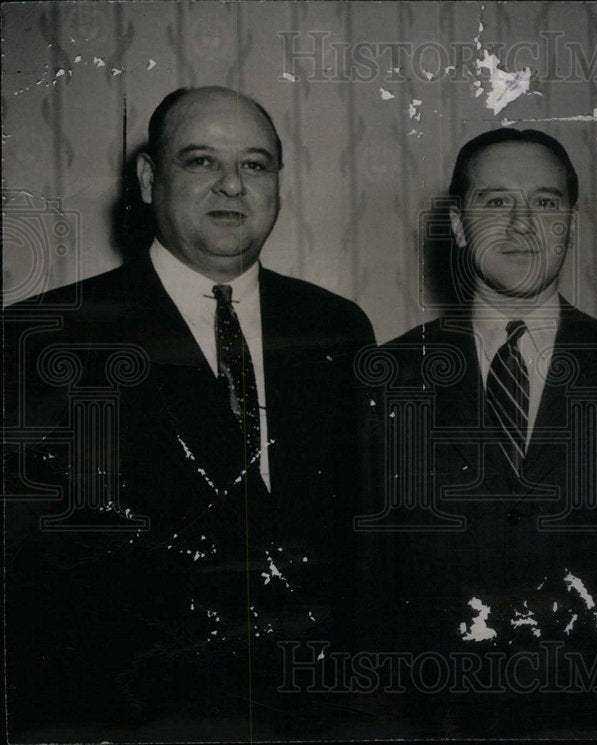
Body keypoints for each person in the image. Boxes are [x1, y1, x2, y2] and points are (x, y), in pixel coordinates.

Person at [3, 87, 375, 738]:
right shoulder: (46, 339)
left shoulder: (337, 328)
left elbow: (359, 544)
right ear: (149, 179)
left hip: (313, 715)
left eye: (255, 165)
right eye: (201, 161)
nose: (232, 185)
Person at [353, 129, 597, 734]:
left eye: (545, 202)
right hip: (431, 719)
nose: (522, 224)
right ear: (457, 225)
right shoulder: (384, 380)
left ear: (571, 224)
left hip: (596, 719)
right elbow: (368, 581)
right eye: (496, 202)